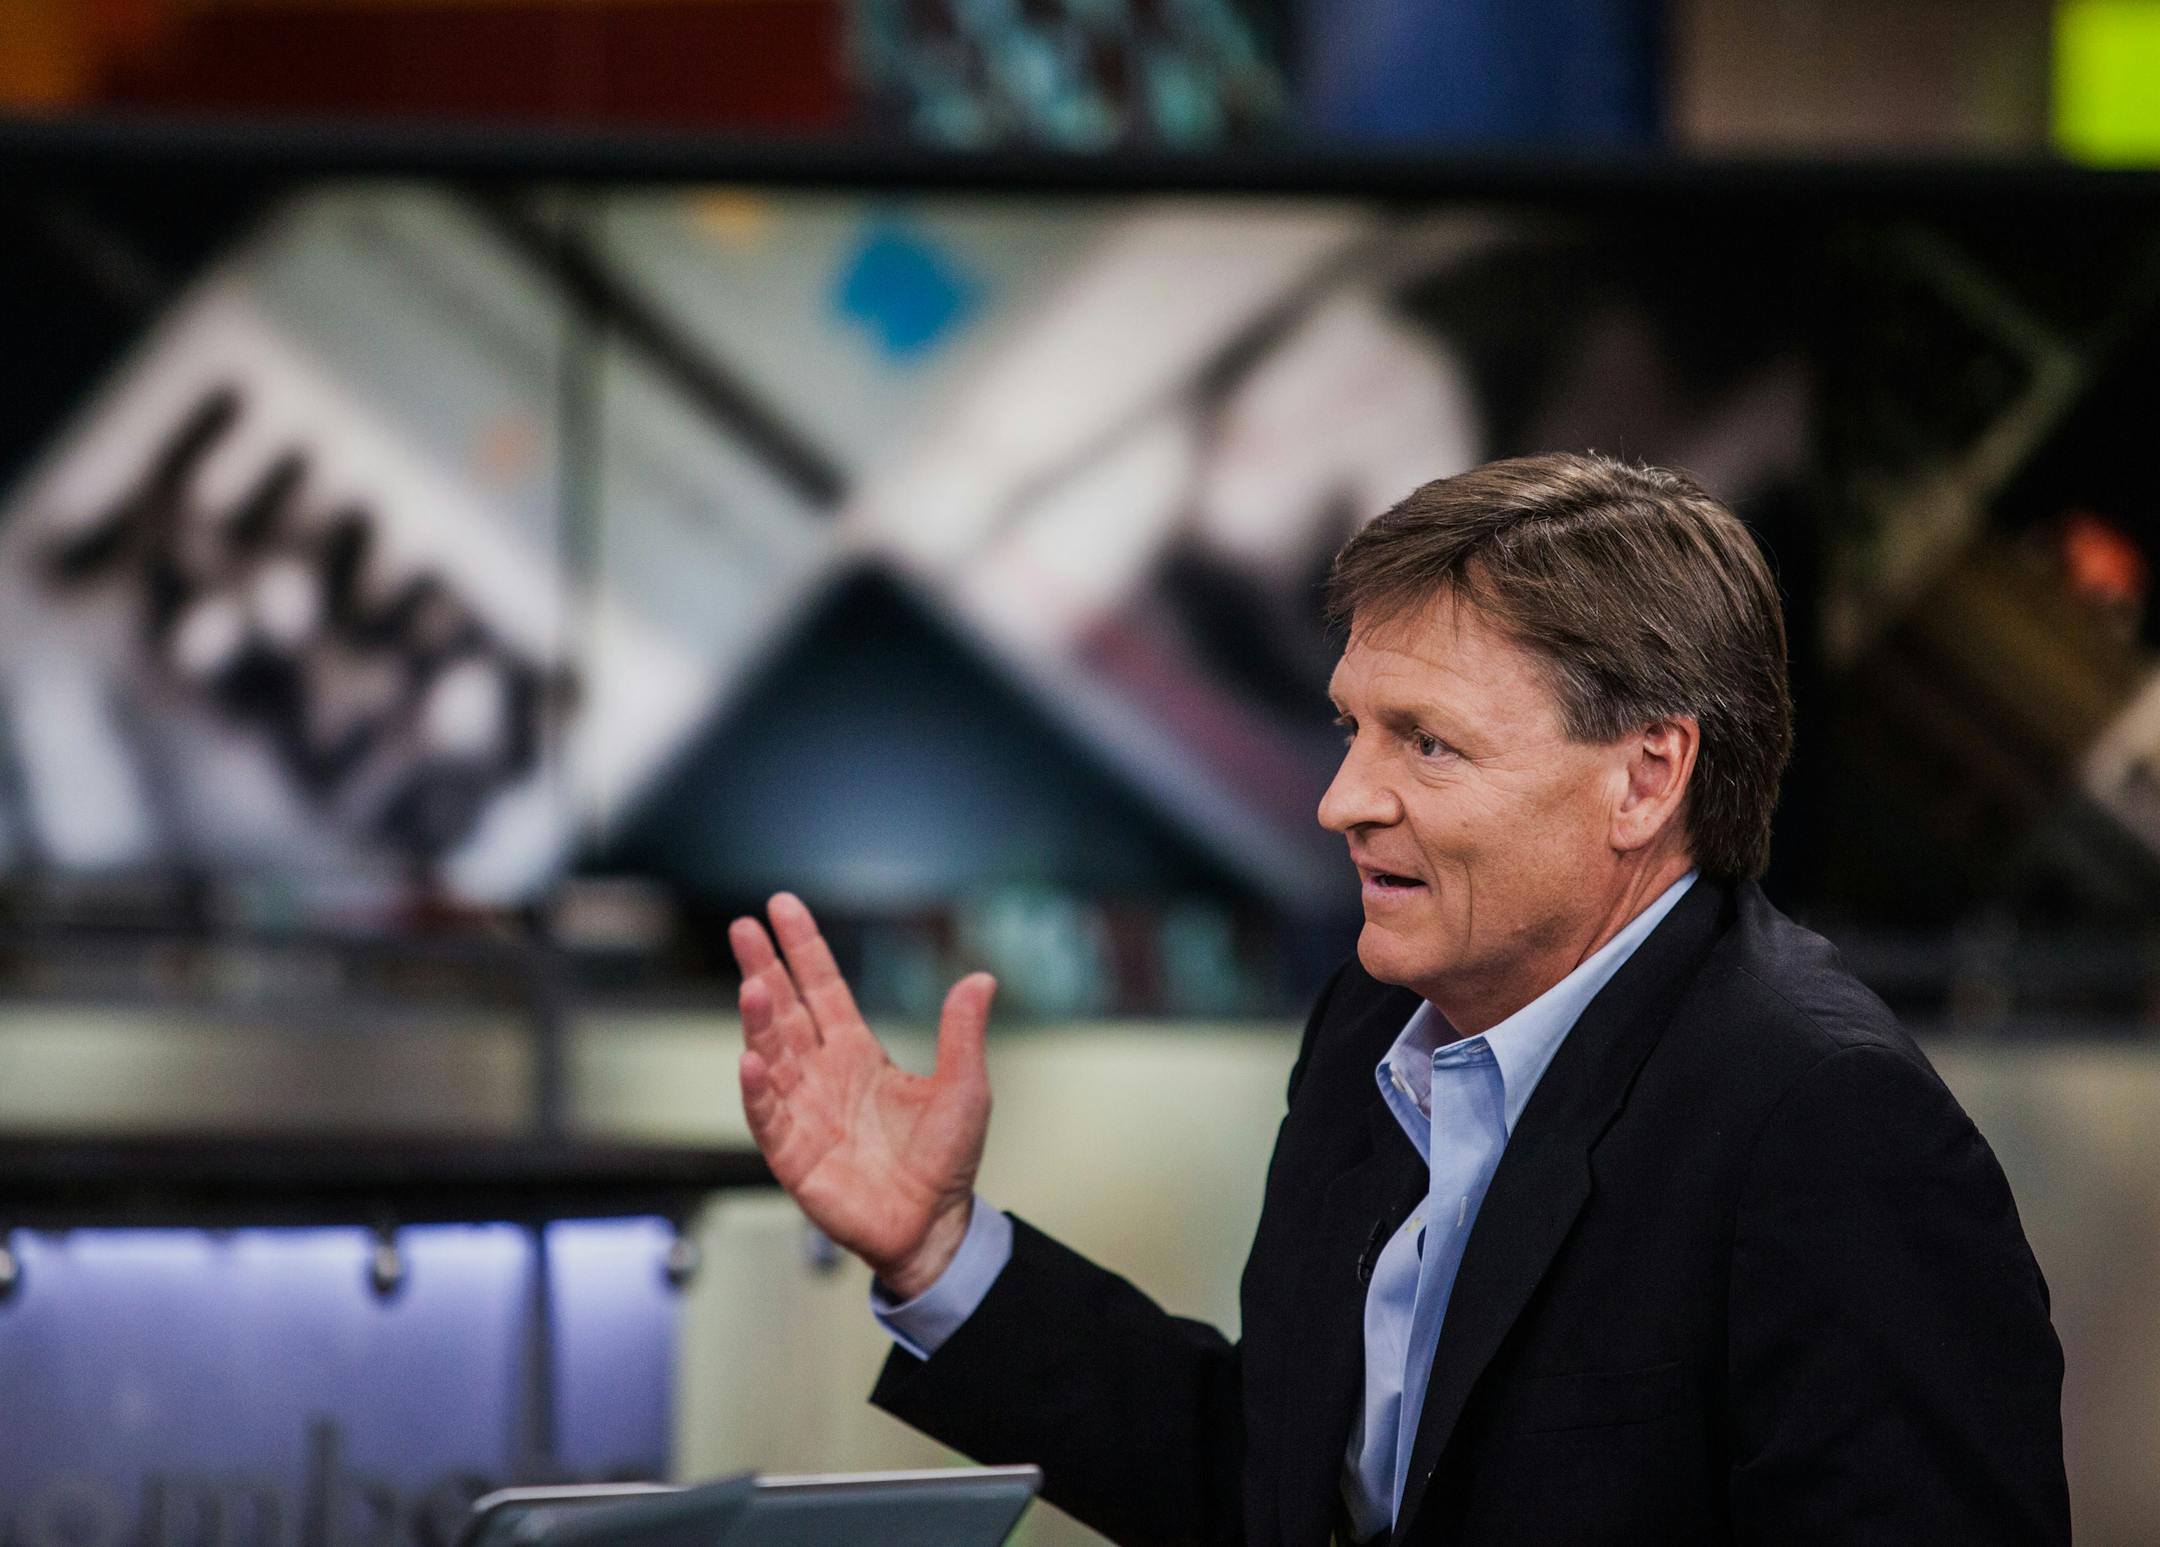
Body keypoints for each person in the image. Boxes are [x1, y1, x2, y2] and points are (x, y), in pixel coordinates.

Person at [728, 453, 2069, 1546]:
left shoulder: (1823, 1124)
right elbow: (1284, 1486)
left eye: (1426, 742)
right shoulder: (1379, 1028)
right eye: (1350, 728)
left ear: (1647, 775)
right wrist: (936, 1251)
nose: (1340, 800)